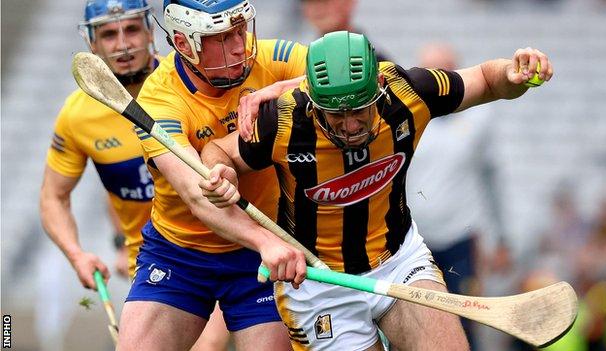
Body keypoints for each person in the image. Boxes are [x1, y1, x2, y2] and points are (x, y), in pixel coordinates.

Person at [199, 31, 553, 350]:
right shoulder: (284, 121)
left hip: (399, 260)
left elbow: (488, 81)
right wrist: (221, 172)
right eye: (335, 116)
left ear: (379, 85)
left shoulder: (408, 92)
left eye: (360, 111)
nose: (350, 126)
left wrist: (514, 74)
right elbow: (219, 150)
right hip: (319, 284)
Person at [118, 0, 310, 350]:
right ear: (183, 42)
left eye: (240, 31)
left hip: (265, 255)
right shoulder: (158, 100)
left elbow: (372, 72)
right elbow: (197, 197)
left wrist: (273, 91)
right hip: (180, 254)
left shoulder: (273, 57)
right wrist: (266, 242)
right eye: (222, 38)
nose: (240, 46)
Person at [39, 1, 231, 350]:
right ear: (91, 44)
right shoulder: (77, 117)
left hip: (227, 247)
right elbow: (55, 196)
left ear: (150, 32)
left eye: (131, 30)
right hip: (158, 265)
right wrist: (77, 255)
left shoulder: (192, 81)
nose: (123, 44)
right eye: (109, 34)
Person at [406, 42, 512, 350]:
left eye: (445, 69)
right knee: (415, 322)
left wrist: (503, 239)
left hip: (461, 240)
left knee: (466, 322)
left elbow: (493, 181)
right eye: (429, 70)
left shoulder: (479, 118)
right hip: (414, 243)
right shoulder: (407, 117)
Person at [299, 0, 391, 62]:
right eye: (310, 2)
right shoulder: (300, 62)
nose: (317, 9)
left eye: (325, 1)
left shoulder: (376, 62)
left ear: (349, 2)